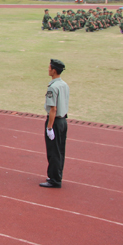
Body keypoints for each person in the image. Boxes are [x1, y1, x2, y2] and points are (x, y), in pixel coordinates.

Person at [40, 59, 69, 189]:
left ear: (54, 70)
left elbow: (53, 109)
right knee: (60, 150)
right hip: (63, 121)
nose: (48, 69)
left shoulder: (53, 87)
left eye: (49, 67)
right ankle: (56, 175)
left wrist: (49, 127)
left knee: (53, 152)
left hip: (55, 122)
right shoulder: (64, 85)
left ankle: (55, 180)